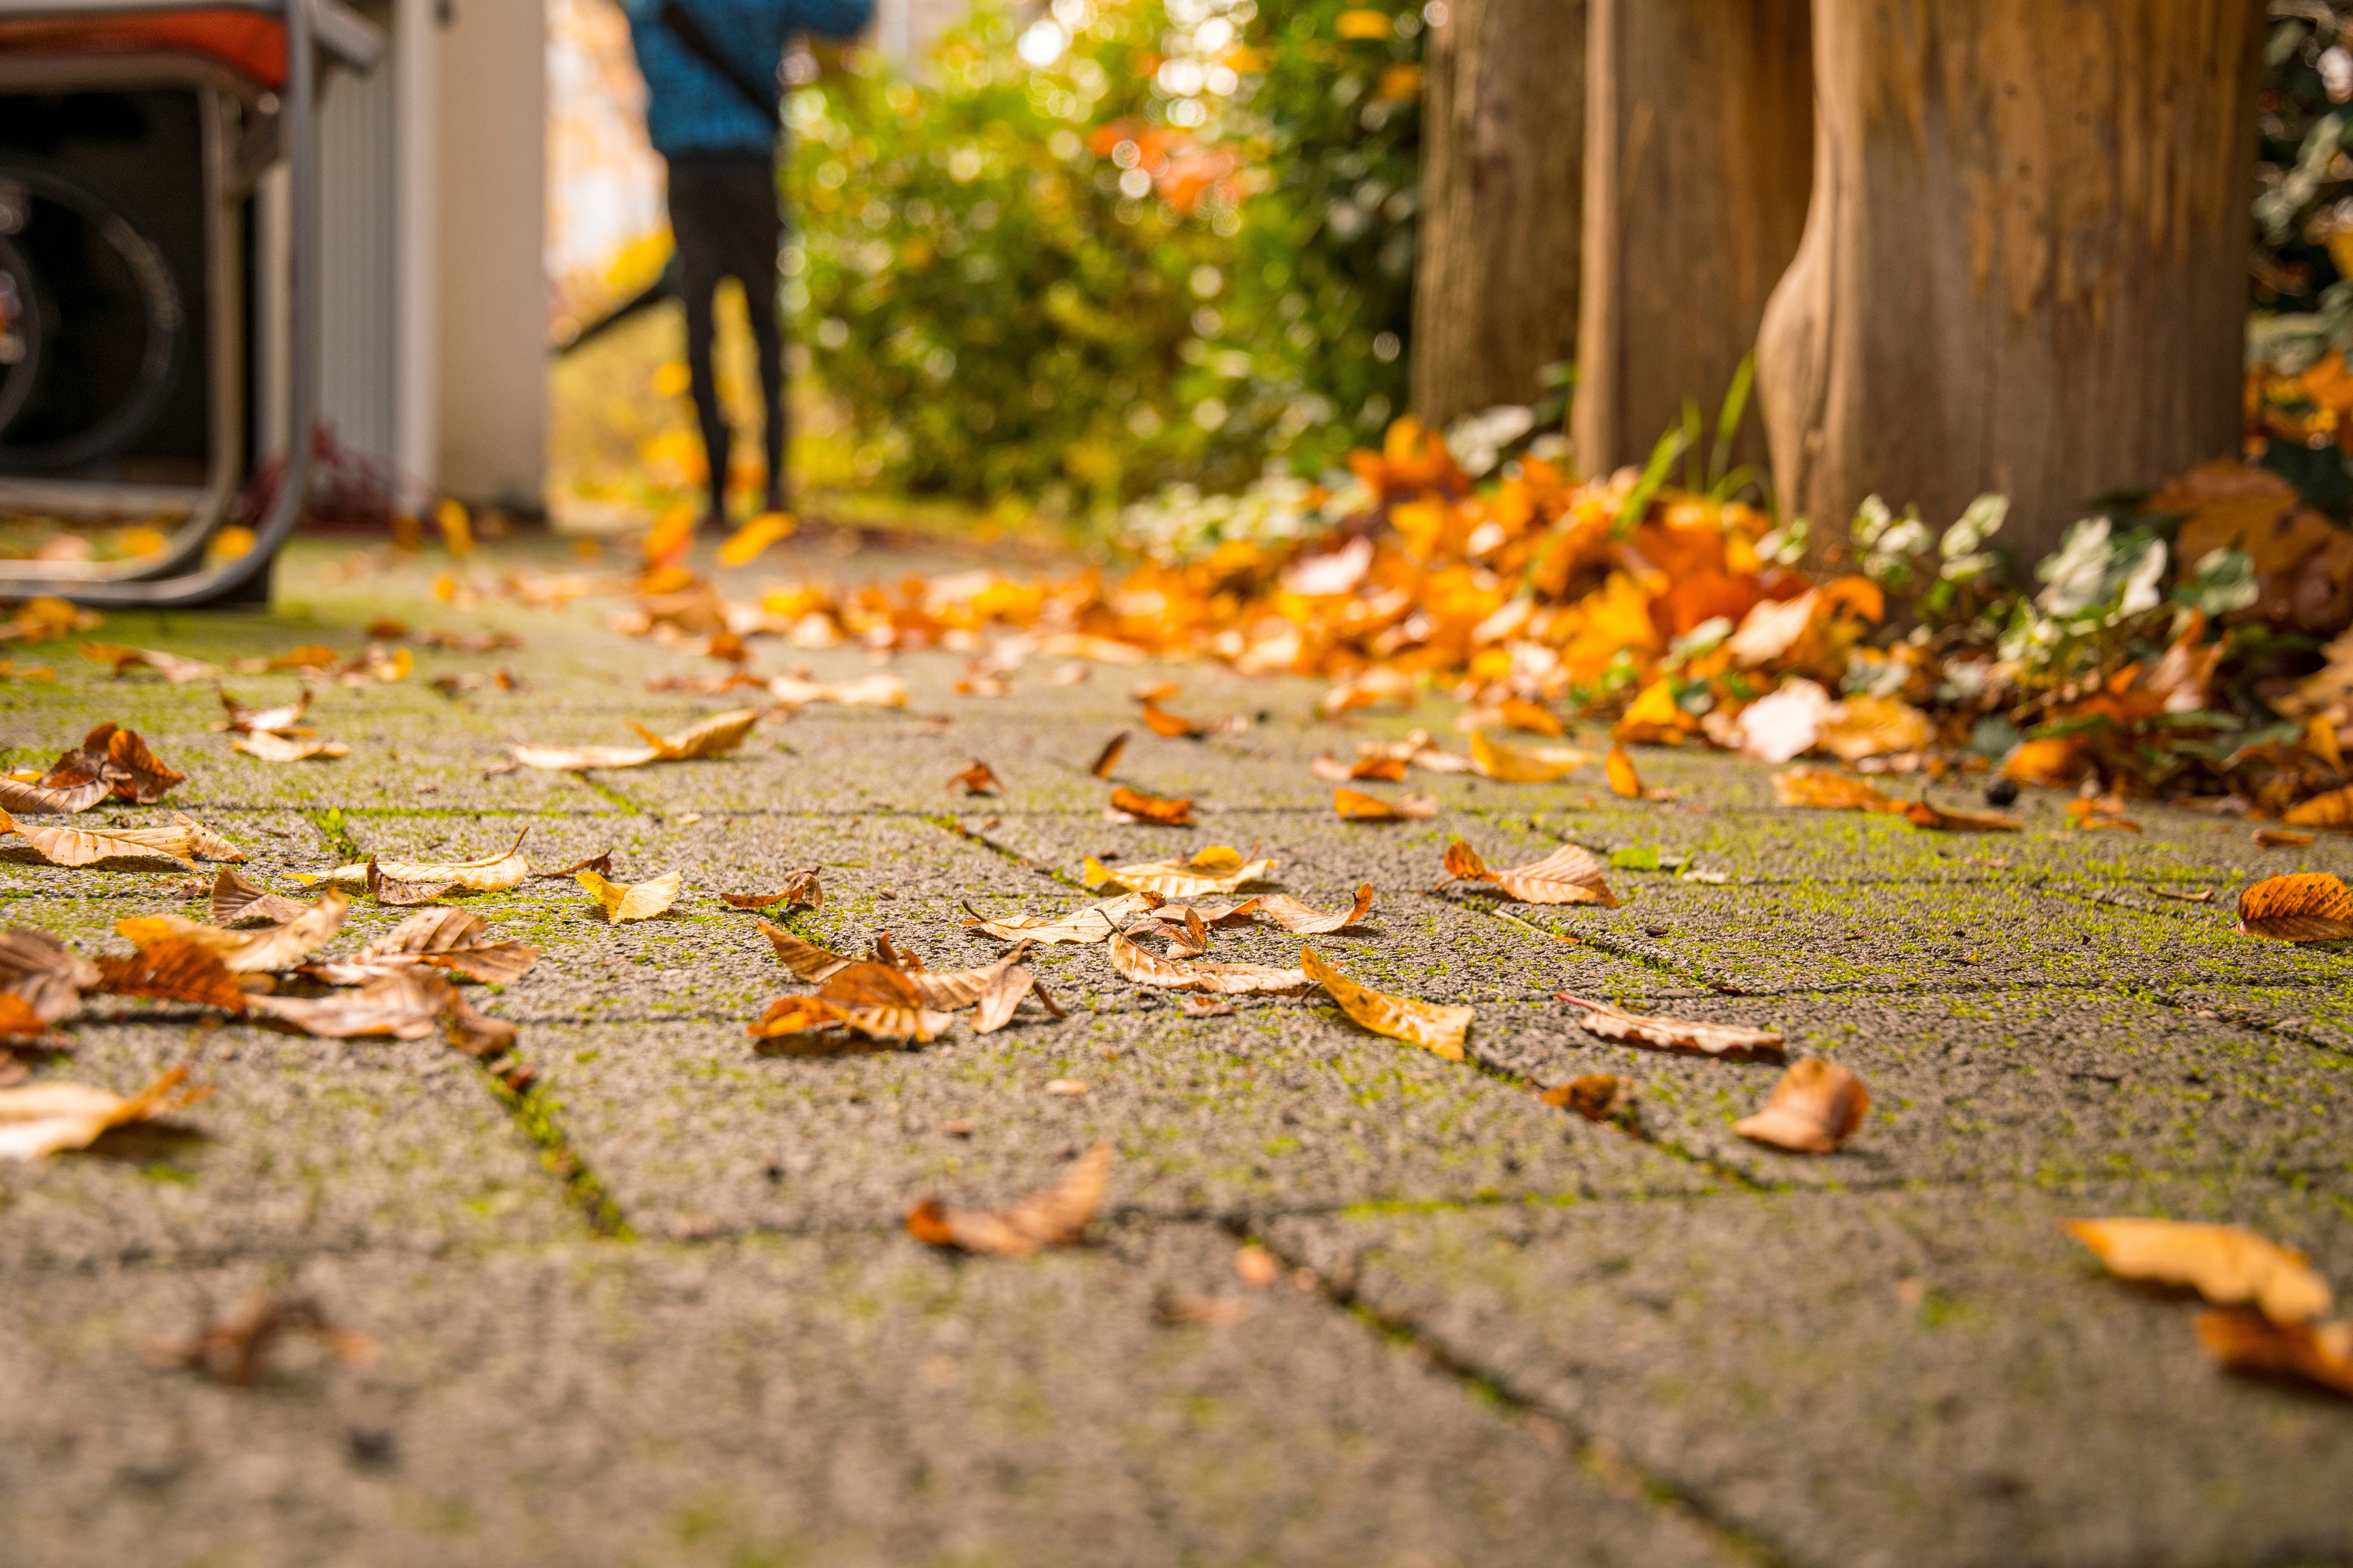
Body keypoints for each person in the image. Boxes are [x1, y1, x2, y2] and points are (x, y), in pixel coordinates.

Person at [623, 0, 871, 528]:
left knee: (700, 325)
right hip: (751, 169)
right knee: (764, 323)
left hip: (689, 172)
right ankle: (775, 484)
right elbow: (850, 18)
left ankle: (716, 493)